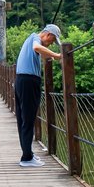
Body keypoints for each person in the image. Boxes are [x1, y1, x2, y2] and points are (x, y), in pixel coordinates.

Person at [15, 24, 62, 167]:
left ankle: (27, 153)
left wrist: (48, 55)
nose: (51, 44)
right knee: (28, 120)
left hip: (20, 80)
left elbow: (37, 51)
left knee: (23, 119)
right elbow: (37, 48)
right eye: (52, 40)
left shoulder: (30, 38)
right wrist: (57, 55)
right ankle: (27, 158)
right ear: (47, 35)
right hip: (29, 82)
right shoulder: (35, 38)